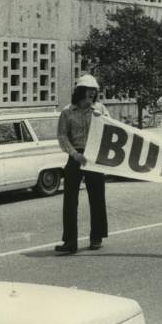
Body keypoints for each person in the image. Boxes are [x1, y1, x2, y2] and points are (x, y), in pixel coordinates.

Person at [55, 74, 109, 255]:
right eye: (88, 91)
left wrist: (101, 118)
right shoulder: (67, 112)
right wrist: (74, 154)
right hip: (76, 155)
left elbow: (111, 129)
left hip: (94, 157)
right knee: (70, 199)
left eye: (94, 91)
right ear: (80, 92)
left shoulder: (100, 108)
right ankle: (70, 241)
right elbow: (62, 135)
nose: (92, 95)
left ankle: (97, 237)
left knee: (97, 197)